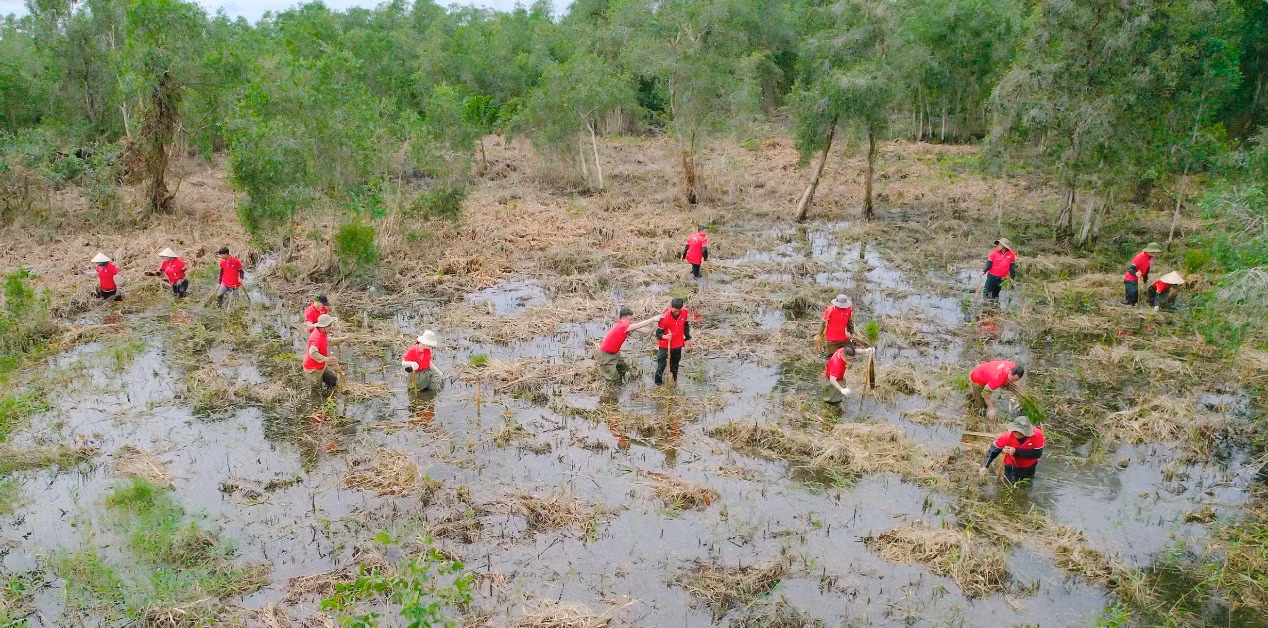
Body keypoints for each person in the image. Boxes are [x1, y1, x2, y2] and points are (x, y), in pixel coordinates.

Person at [596, 307, 660, 382]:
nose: (631, 321)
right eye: (630, 319)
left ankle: (621, 383)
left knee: (624, 369)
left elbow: (640, 329)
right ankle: (612, 390)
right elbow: (638, 325)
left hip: (615, 353)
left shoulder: (624, 324)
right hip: (606, 355)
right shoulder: (622, 326)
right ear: (624, 318)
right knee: (611, 377)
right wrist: (653, 319)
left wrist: (656, 334)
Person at [979, 416, 1045, 484]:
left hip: (1029, 466)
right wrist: (985, 466)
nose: (1017, 436)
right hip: (1010, 465)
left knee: (1026, 485)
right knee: (1009, 484)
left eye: (1021, 434)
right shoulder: (1007, 436)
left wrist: (1016, 451)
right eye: (1015, 433)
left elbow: (1038, 454)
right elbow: (994, 450)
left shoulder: (1037, 435)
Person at [655, 297, 692, 385]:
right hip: (665, 344)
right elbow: (658, 334)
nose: (676, 312)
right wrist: (665, 336)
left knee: (675, 364)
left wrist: (687, 338)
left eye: (678, 311)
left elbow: (685, 326)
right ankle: (658, 384)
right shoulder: (664, 317)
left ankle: (674, 380)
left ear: (681, 308)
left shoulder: (684, 313)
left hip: (678, 343)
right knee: (661, 365)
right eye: (675, 310)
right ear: (671, 307)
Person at [303, 313, 339, 390]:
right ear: (323, 326)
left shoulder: (323, 332)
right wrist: (326, 359)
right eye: (329, 326)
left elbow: (328, 341)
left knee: (332, 380)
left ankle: (330, 396)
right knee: (317, 390)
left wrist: (343, 339)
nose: (331, 328)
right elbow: (312, 353)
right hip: (313, 369)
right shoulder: (316, 337)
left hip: (321, 365)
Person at [1123, 241, 1162, 306]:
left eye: (1156, 252)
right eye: (1154, 252)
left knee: (1137, 297)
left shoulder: (1151, 257)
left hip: (1139, 279)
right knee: (1132, 300)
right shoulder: (1140, 257)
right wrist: (1136, 274)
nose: (1155, 254)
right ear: (1149, 251)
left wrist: (1145, 280)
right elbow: (1131, 269)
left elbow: (1147, 269)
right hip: (1130, 279)